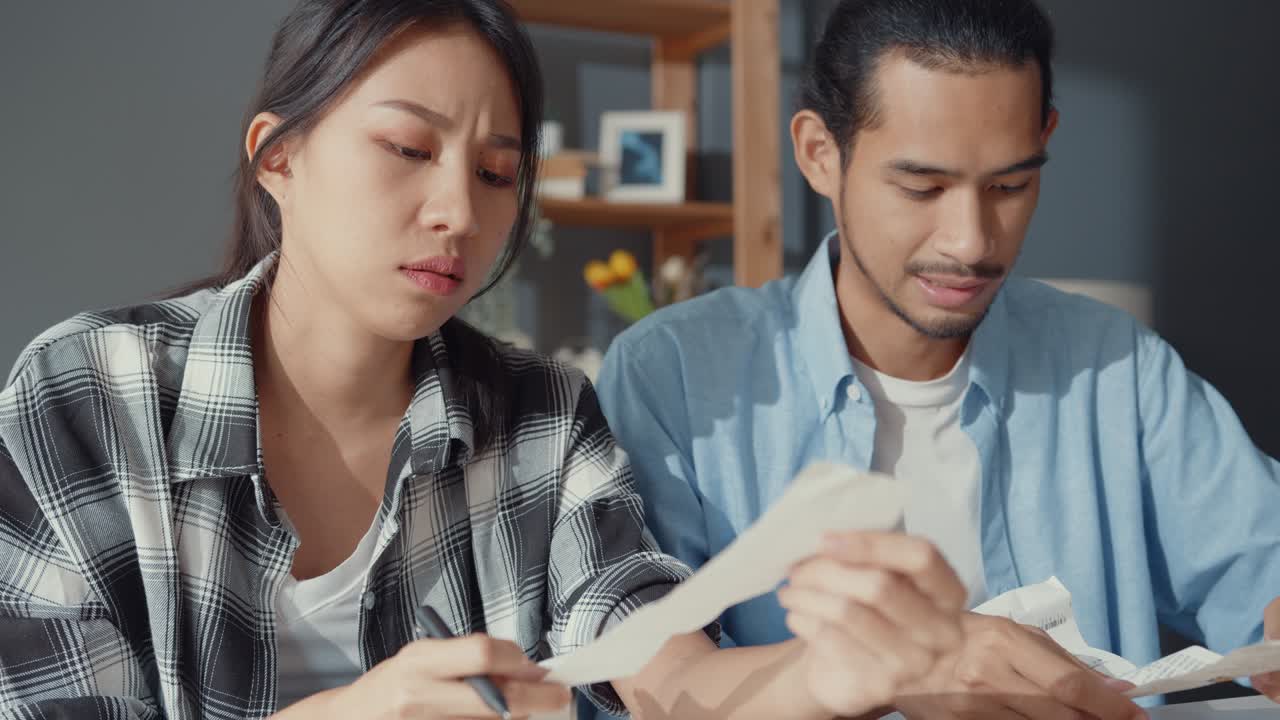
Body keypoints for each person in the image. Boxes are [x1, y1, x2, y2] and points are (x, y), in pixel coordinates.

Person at [0, 2, 979, 719]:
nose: (458, 214)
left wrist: (816, 681)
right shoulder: (89, 394)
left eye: (496, 172)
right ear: (278, 157)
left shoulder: (543, 420)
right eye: (404, 148)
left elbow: (655, 663)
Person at [595, 0, 1280, 718]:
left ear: (1045, 138)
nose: (971, 242)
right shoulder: (671, 373)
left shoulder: (1116, 366)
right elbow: (656, 677)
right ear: (820, 153)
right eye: (922, 187)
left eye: (1010, 186)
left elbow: (1260, 564)